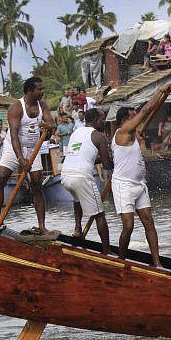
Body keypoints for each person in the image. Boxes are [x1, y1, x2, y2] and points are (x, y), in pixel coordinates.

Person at [0, 76, 55, 234]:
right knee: (0, 179)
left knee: (37, 185)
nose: (42, 92)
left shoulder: (42, 105)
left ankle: (42, 226)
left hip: (33, 148)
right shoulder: (16, 107)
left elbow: (52, 122)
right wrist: (20, 159)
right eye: (39, 89)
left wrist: (49, 125)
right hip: (13, 147)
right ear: (30, 91)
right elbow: (13, 135)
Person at [113, 105, 162, 266]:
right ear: (124, 121)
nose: (137, 121)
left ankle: (157, 263)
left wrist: (140, 141)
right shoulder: (121, 133)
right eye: (132, 118)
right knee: (128, 226)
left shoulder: (135, 135)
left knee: (149, 221)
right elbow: (146, 111)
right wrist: (161, 92)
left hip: (140, 185)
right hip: (123, 185)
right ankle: (121, 260)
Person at [61, 108, 113, 254]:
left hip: (65, 176)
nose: (105, 122)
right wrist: (119, 161)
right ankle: (107, 251)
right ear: (96, 120)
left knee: (77, 199)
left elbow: (86, 156)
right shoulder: (100, 137)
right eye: (103, 118)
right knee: (99, 214)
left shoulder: (76, 132)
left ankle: (77, 230)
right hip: (81, 177)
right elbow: (107, 164)